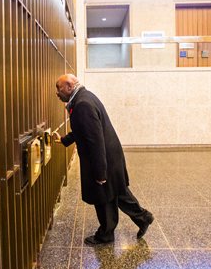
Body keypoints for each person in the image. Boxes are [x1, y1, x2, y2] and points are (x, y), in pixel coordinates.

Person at [52, 74, 154, 246]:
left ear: (69, 86)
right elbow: (84, 130)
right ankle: (143, 217)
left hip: (103, 157)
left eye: (58, 87)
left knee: (104, 195)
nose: (57, 92)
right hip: (110, 155)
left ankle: (106, 234)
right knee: (117, 191)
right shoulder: (84, 97)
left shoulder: (82, 104)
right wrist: (65, 140)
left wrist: (100, 172)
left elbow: (94, 139)